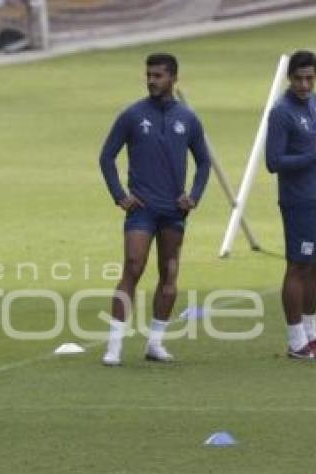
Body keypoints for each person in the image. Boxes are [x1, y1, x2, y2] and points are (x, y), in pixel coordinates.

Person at [99, 53, 211, 366]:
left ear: (174, 78)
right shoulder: (132, 115)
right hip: (142, 209)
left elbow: (204, 161)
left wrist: (194, 196)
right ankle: (114, 346)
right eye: (148, 75)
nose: (151, 80)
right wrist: (120, 195)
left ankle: (155, 343)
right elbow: (106, 157)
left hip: (174, 211)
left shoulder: (187, 119)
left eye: (158, 75)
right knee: (133, 266)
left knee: (169, 272)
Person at [265, 50, 316, 360]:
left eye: (309, 78)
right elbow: (273, 162)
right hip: (298, 202)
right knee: (299, 266)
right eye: (298, 78)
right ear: (289, 78)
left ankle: (312, 334)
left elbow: (315, 145)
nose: (304, 85)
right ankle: (297, 342)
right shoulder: (281, 112)